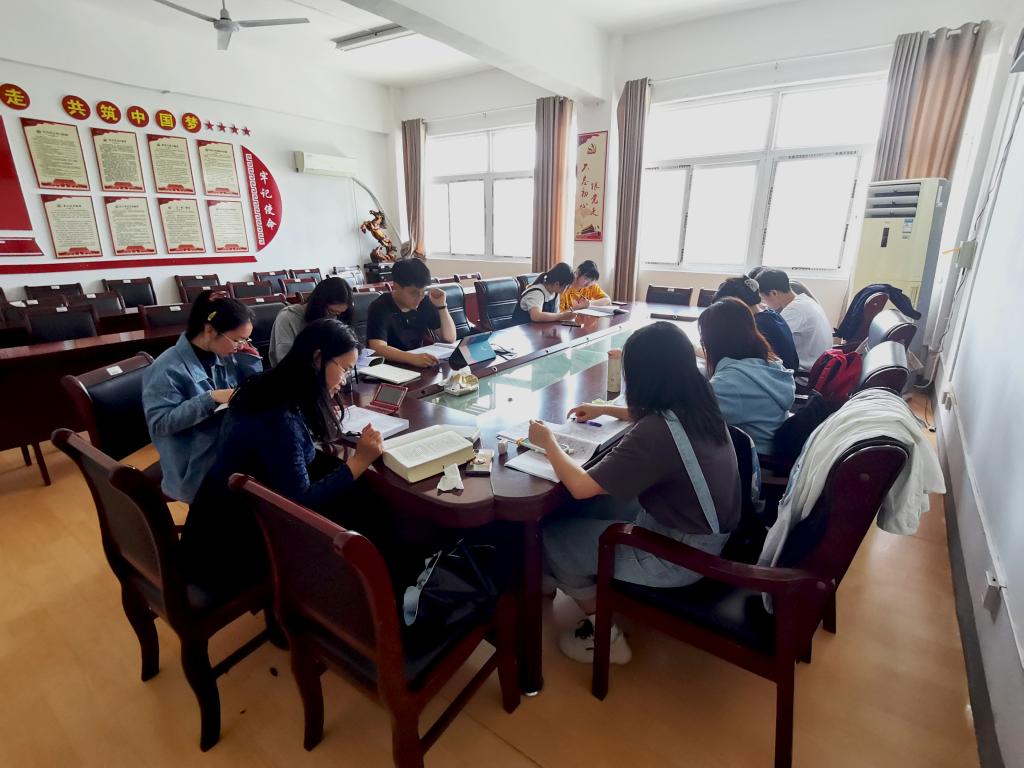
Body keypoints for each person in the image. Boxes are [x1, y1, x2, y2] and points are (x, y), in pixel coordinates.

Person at [532, 321, 741, 664]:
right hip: (703, 531)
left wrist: (548, 442)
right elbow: (657, 417)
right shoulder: (699, 402)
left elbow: (582, 487)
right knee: (588, 510)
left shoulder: (655, 433)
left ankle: (605, 637)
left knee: (555, 537)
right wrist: (604, 409)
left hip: (679, 557)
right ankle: (552, 574)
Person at [182, 319, 384, 583]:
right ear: (318, 358)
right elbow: (301, 502)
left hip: (219, 515)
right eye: (344, 369)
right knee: (368, 515)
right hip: (229, 547)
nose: (344, 380)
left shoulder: (266, 386)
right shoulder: (279, 417)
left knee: (359, 498)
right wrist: (359, 461)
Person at [143, 291, 263, 503]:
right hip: (195, 466)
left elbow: (249, 391)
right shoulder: (166, 369)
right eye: (237, 340)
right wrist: (211, 398)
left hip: (224, 447)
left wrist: (249, 360)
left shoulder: (222, 354)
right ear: (209, 330)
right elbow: (160, 424)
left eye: (245, 340)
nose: (241, 346)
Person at [698, 298, 795, 454]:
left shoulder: (730, 383)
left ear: (713, 342)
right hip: (770, 452)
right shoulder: (772, 365)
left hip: (755, 461)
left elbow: (694, 422)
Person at [366, 258, 456, 367]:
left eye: (423, 291)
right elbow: (377, 348)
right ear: (396, 286)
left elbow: (449, 338)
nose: (420, 297)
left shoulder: (424, 301)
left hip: (418, 364)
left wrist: (442, 306)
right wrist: (411, 358)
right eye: (414, 293)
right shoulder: (380, 307)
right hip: (391, 367)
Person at [713, 276, 799, 371]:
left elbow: (727, 356)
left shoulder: (755, 325)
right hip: (783, 375)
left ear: (737, 303)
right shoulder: (771, 315)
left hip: (772, 376)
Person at [756, 269, 833, 370]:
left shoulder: (794, 311)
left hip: (805, 372)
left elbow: (766, 338)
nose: (764, 303)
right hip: (820, 364)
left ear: (774, 293)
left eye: (763, 298)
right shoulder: (804, 300)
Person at [269, 276, 353, 366]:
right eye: (332, 311)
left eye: (340, 313)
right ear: (319, 303)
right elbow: (285, 361)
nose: (334, 317)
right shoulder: (288, 318)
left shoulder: (335, 317)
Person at [511, 263, 577, 325]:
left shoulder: (555, 293)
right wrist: (561, 316)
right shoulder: (537, 292)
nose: (568, 289)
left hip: (540, 329)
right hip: (522, 330)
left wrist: (565, 316)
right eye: (567, 286)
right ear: (557, 284)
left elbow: (555, 315)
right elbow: (536, 316)